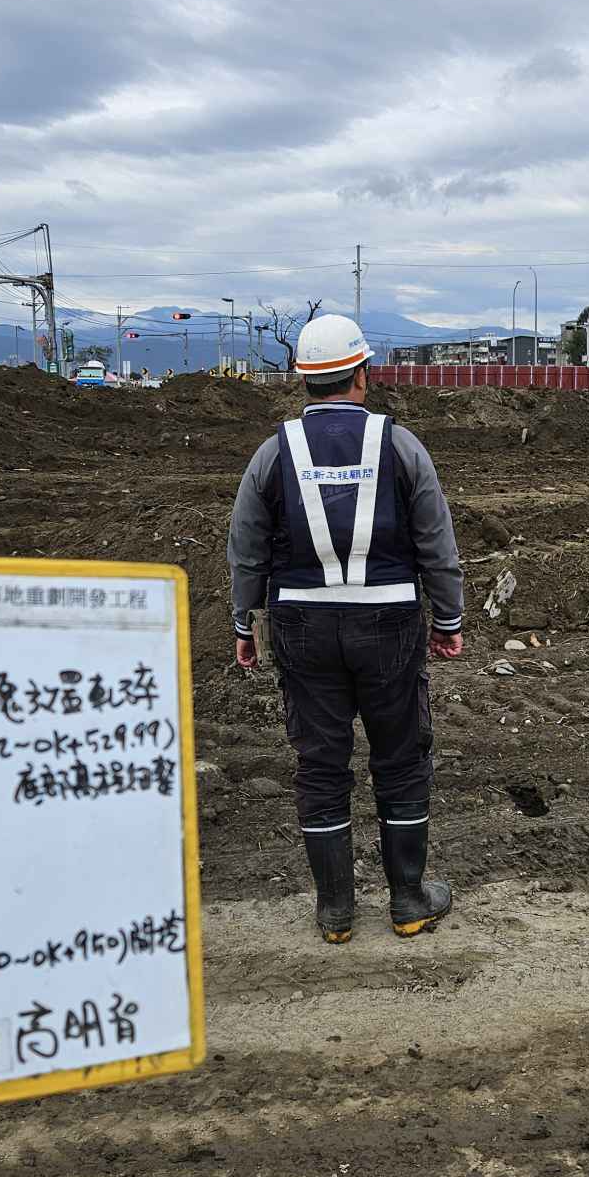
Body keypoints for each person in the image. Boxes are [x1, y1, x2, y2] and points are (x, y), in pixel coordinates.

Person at [227, 314, 465, 942]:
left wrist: (242, 620)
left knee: (321, 762)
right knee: (400, 757)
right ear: (363, 374)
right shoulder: (402, 444)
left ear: (303, 380)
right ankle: (409, 900)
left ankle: (335, 912)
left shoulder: (273, 451)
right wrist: (448, 617)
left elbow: (246, 543)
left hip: (301, 623)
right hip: (388, 622)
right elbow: (435, 542)